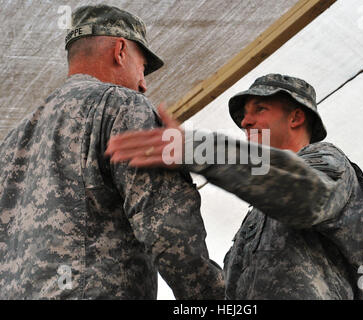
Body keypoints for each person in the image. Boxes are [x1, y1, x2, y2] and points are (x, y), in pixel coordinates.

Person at [0, 4, 224, 299]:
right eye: (143, 69)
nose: (143, 84)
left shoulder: (12, 141)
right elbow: (169, 231)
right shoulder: (123, 106)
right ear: (120, 50)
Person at [105, 74, 363, 299]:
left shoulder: (330, 164)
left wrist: (200, 150)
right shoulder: (259, 217)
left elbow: (307, 198)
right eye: (244, 115)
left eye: (260, 109)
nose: (246, 122)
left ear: (295, 118)